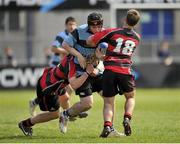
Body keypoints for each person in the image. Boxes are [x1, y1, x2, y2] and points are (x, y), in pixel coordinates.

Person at [59, 12, 123, 137]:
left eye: (98, 26)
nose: (96, 29)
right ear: (88, 25)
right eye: (93, 26)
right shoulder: (79, 31)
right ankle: (65, 115)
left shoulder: (105, 34)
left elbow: (105, 56)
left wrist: (98, 63)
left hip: (96, 69)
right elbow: (65, 45)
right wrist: (79, 56)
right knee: (87, 104)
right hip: (80, 70)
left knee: (109, 97)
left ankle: (109, 128)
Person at [86, 9, 141, 137]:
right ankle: (127, 118)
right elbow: (122, 54)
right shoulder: (137, 38)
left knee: (108, 102)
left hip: (109, 70)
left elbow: (90, 41)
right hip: (125, 71)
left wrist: (101, 52)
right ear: (136, 24)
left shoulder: (112, 32)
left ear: (124, 19)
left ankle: (107, 126)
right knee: (131, 97)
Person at [18, 55, 94, 136]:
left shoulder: (71, 57)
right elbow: (74, 84)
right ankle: (25, 124)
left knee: (66, 98)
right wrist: (87, 73)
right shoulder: (72, 66)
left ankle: (68, 115)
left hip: (53, 81)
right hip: (48, 88)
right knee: (54, 114)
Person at [29, 16, 77, 117]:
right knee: (64, 90)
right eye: (70, 24)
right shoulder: (61, 35)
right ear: (66, 25)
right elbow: (53, 48)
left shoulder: (75, 36)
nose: (72, 26)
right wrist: (67, 51)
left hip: (65, 67)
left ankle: (36, 103)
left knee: (64, 90)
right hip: (56, 66)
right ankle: (66, 112)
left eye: (73, 24)